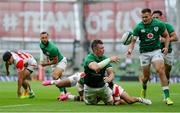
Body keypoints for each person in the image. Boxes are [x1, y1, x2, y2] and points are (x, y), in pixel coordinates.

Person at [126, 8, 173, 105]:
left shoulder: (159, 24)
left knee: (160, 70)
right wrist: (130, 49)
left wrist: (166, 47)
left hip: (156, 51)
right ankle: (144, 88)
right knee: (146, 77)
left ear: (151, 16)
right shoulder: (138, 27)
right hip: (144, 53)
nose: (144, 19)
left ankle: (167, 97)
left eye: (146, 17)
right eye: (142, 17)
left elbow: (167, 36)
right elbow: (133, 41)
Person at [83, 39, 120, 105]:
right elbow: (96, 68)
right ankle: (97, 97)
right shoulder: (89, 58)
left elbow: (111, 73)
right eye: (101, 48)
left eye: (103, 48)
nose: (103, 49)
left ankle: (106, 96)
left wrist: (109, 79)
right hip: (90, 87)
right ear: (95, 49)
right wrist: (109, 59)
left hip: (102, 86)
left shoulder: (105, 58)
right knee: (90, 104)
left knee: (111, 103)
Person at [152, 10, 178, 84]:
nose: (155, 19)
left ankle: (167, 81)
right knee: (160, 69)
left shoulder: (167, 26)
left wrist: (165, 40)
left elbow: (176, 38)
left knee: (167, 70)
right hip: (157, 52)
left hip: (168, 52)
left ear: (161, 17)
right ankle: (164, 86)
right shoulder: (150, 28)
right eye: (153, 18)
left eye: (157, 17)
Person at [40, 31, 68, 99]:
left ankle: (62, 94)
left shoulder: (52, 48)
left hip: (61, 61)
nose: (44, 39)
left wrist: (45, 64)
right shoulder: (41, 45)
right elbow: (46, 54)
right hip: (53, 63)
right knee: (59, 81)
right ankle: (66, 93)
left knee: (55, 76)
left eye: (46, 37)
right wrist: (47, 60)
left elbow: (56, 61)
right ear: (40, 38)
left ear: (48, 38)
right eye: (42, 38)